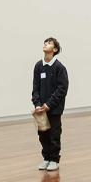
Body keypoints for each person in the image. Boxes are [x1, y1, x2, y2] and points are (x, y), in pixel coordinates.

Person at [32, 37, 69, 172]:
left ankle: (54, 160)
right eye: (45, 42)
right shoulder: (38, 66)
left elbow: (62, 89)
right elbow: (35, 87)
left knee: (54, 134)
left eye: (49, 43)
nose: (45, 44)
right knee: (43, 135)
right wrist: (37, 104)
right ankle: (46, 158)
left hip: (54, 109)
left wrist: (49, 104)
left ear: (55, 49)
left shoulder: (59, 67)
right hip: (41, 109)